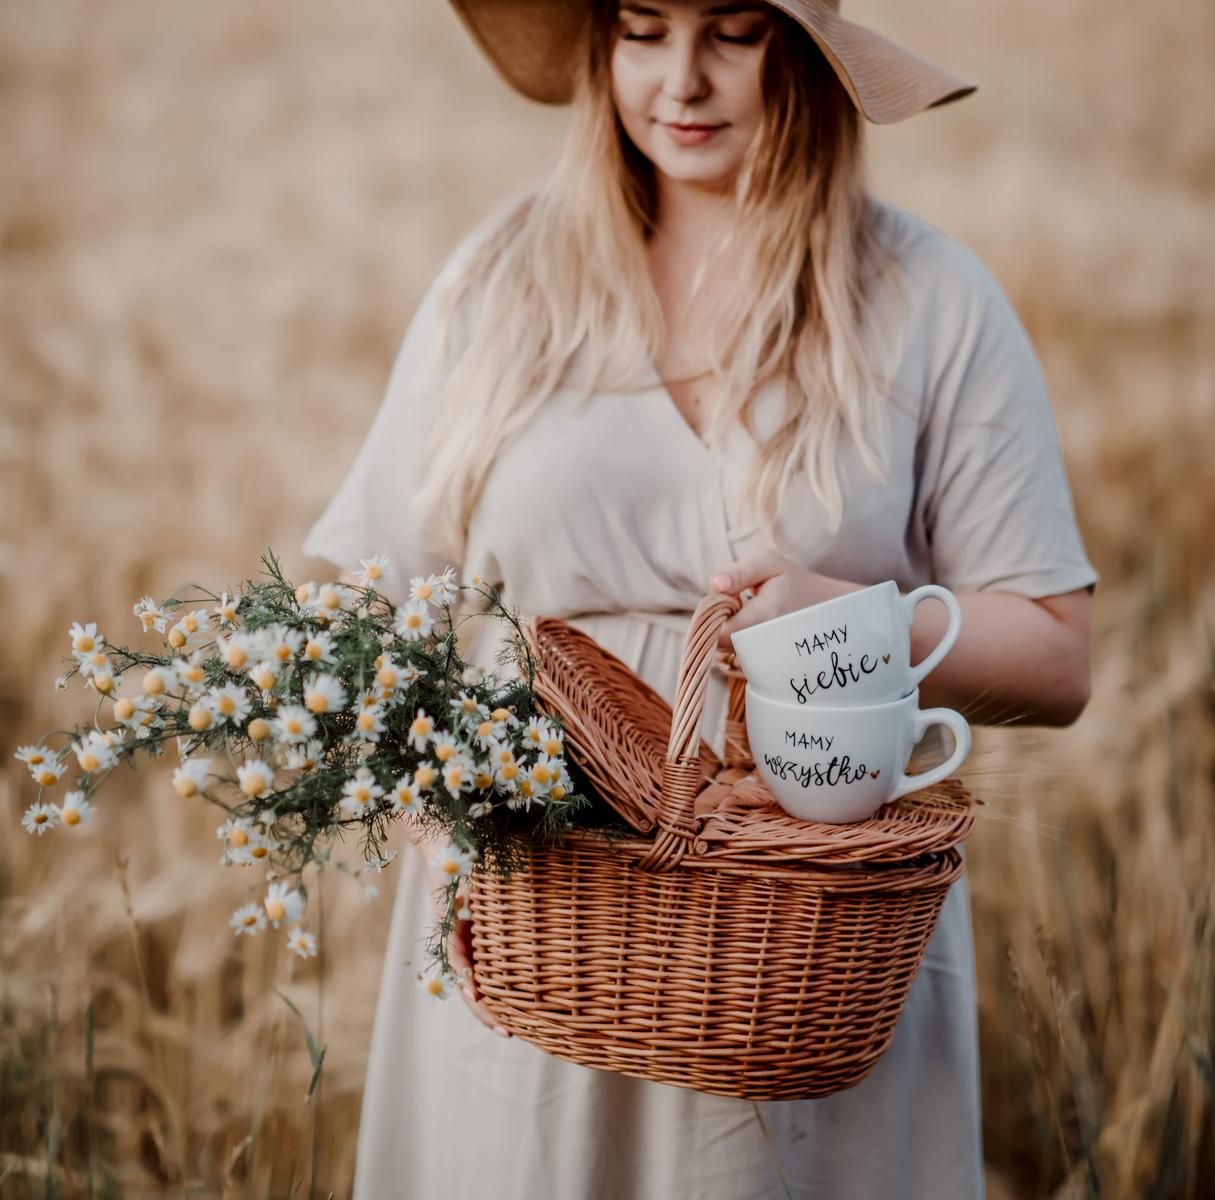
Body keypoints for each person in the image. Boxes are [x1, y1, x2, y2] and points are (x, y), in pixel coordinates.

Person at [301, 0, 1098, 1195]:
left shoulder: (930, 299)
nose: (682, 80)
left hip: (807, 947)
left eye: (734, 30)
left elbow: (1056, 656)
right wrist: (438, 837)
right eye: (640, 26)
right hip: (539, 909)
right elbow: (360, 601)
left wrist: (859, 625)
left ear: (811, 57)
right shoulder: (502, 282)